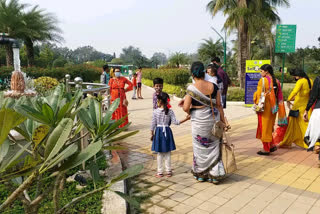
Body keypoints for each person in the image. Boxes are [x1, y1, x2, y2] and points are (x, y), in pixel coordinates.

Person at [183, 61, 226, 184]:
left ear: (192, 74)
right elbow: (219, 105)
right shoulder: (214, 86)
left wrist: (192, 108)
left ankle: (201, 174)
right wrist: (223, 121)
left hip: (199, 122)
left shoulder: (191, 88)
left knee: (200, 148)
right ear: (204, 72)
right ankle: (215, 174)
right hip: (213, 120)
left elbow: (186, 108)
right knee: (214, 146)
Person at [151, 92, 190, 178]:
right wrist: (186, 119)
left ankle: (160, 172)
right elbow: (176, 122)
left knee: (160, 153)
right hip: (167, 132)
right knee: (168, 153)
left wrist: (152, 134)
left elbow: (153, 124)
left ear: (160, 101)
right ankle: (169, 171)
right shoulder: (170, 111)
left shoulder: (155, 111)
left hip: (158, 132)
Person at [254, 64, 287, 155]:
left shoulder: (263, 80)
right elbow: (279, 96)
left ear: (266, 71)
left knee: (264, 127)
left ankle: (266, 149)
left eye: (261, 71)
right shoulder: (277, 81)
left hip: (265, 108)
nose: (260, 73)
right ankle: (271, 145)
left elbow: (258, 94)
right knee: (269, 127)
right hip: (274, 108)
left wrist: (255, 100)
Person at [279, 69, 313, 149]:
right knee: (307, 125)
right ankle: (311, 143)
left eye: (294, 75)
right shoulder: (310, 80)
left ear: (298, 74)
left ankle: (287, 142)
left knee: (292, 125)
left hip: (297, 107)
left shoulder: (300, 81)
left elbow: (295, 91)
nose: (294, 77)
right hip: (307, 107)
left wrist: (288, 99)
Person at [304, 75, 320, 165]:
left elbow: (313, 96)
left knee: (314, 133)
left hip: (318, 110)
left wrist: (306, 109)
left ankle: (317, 148)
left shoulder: (318, 79)